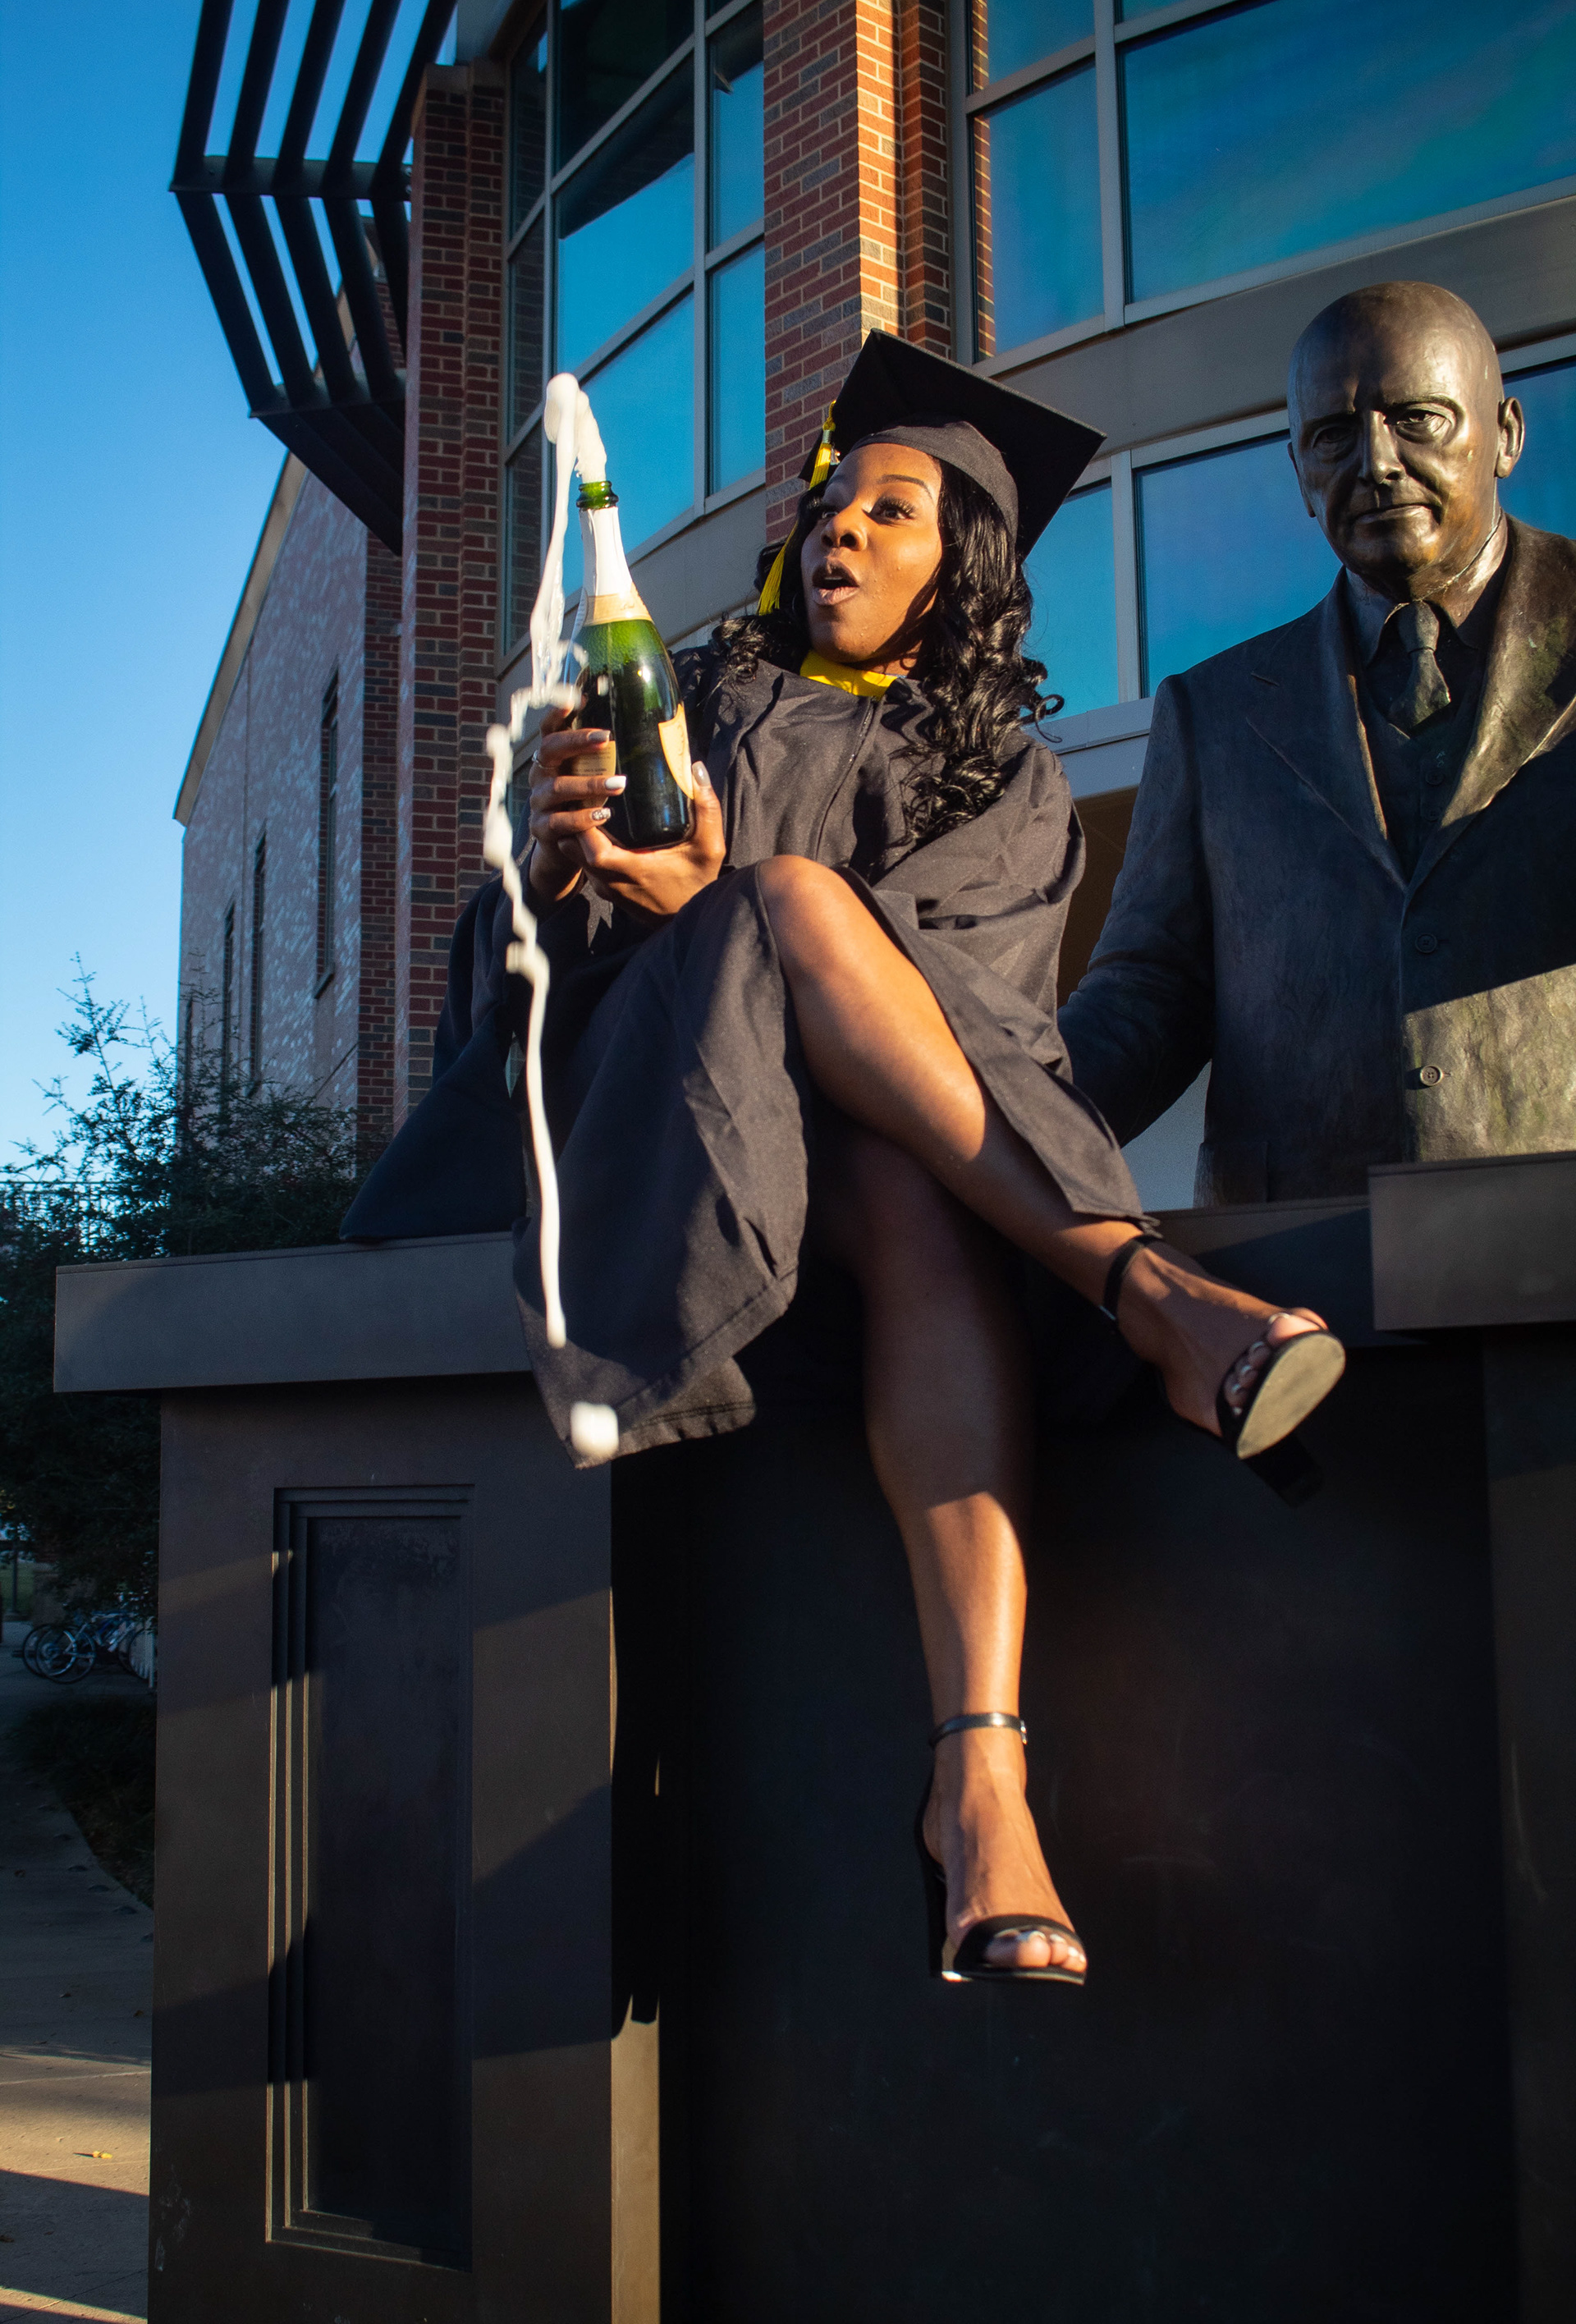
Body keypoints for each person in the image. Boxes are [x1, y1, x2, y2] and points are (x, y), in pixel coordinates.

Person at [346, 333, 1345, 1983]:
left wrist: (749, 923)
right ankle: (1150, 1296)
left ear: (965, 568)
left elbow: (977, 1024)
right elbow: (505, 1001)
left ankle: (980, 1778)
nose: (844, 532)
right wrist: (568, 874)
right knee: (794, 908)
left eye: (893, 514)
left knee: (897, 1171)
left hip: (865, 1202)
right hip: (653, 1149)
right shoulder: (681, 709)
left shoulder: (1008, 780)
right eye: (830, 507)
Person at [1061, 281, 1576, 1202]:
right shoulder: (1210, 713)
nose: (1376, 464)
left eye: (1418, 420)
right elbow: (1148, 995)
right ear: (1299, 470)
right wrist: (983, 1123)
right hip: (1296, 1251)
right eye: (1334, 437)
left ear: (1505, 435)